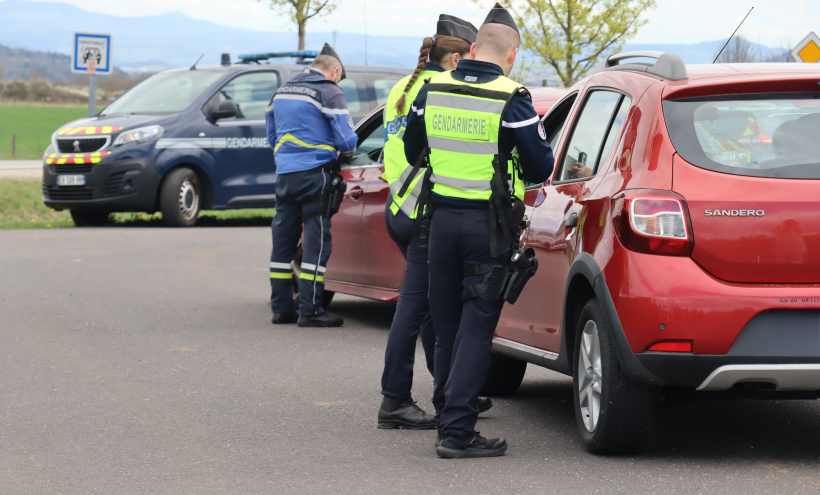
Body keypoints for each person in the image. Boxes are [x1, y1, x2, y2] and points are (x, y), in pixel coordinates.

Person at [403, 3, 555, 458]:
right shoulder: (512, 96)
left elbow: (414, 152)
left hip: (439, 224)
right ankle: (457, 432)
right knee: (477, 328)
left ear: (472, 48)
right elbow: (541, 166)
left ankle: (447, 416)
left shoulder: (432, 88)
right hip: (486, 227)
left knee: (447, 327)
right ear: (511, 55)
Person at [378, 14, 494, 430]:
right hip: (426, 209)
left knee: (429, 309)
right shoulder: (439, 87)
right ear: (454, 58)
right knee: (416, 310)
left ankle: (449, 389)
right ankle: (396, 399)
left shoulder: (402, 86)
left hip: (399, 204)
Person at [266, 44, 357, 328]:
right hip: (315, 175)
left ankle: (281, 309)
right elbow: (346, 142)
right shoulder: (329, 91)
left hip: (285, 174)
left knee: (283, 244)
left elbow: (271, 135)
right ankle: (311, 310)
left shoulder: (281, 91)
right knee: (317, 244)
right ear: (335, 71)